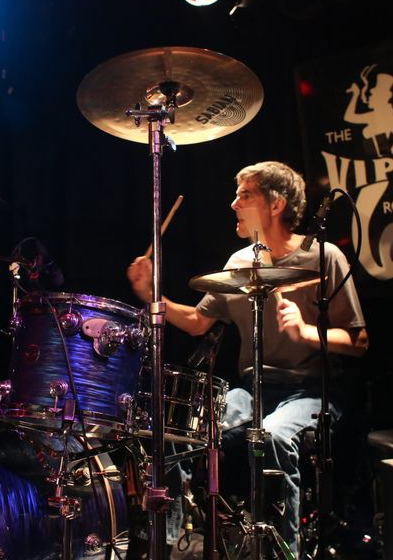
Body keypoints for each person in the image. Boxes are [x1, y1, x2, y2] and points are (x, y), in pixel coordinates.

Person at [127, 160, 368, 556]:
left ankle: (283, 551)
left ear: (276, 204)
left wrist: (307, 332)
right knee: (177, 431)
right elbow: (198, 323)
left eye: (246, 195)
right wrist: (152, 295)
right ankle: (167, 541)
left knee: (273, 435)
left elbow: (359, 341)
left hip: (309, 390)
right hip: (253, 389)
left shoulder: (323, 257)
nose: (233, 203)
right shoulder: (240, 263)